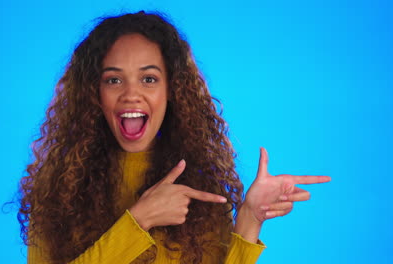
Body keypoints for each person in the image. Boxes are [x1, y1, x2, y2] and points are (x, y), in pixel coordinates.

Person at [17, 11, 331, 264]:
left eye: (149, 79)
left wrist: (249, 219)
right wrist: (138, 221)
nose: (131, 94)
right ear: (95, 94)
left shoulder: (198, 189)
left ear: (172, 92)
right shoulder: (57, 190)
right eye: (114, 80)